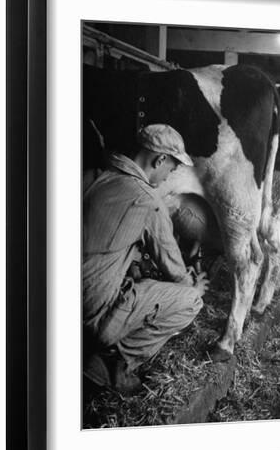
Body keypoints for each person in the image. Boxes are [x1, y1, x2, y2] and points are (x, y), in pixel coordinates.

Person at [83, 124, 209, 393]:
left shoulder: (95, 176)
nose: (168, 177)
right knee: (191, 301)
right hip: (92, 317)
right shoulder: (147, 199)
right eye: (172, 168)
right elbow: (174, 268)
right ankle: (115, 364)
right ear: (160, 159)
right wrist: (193, 286)